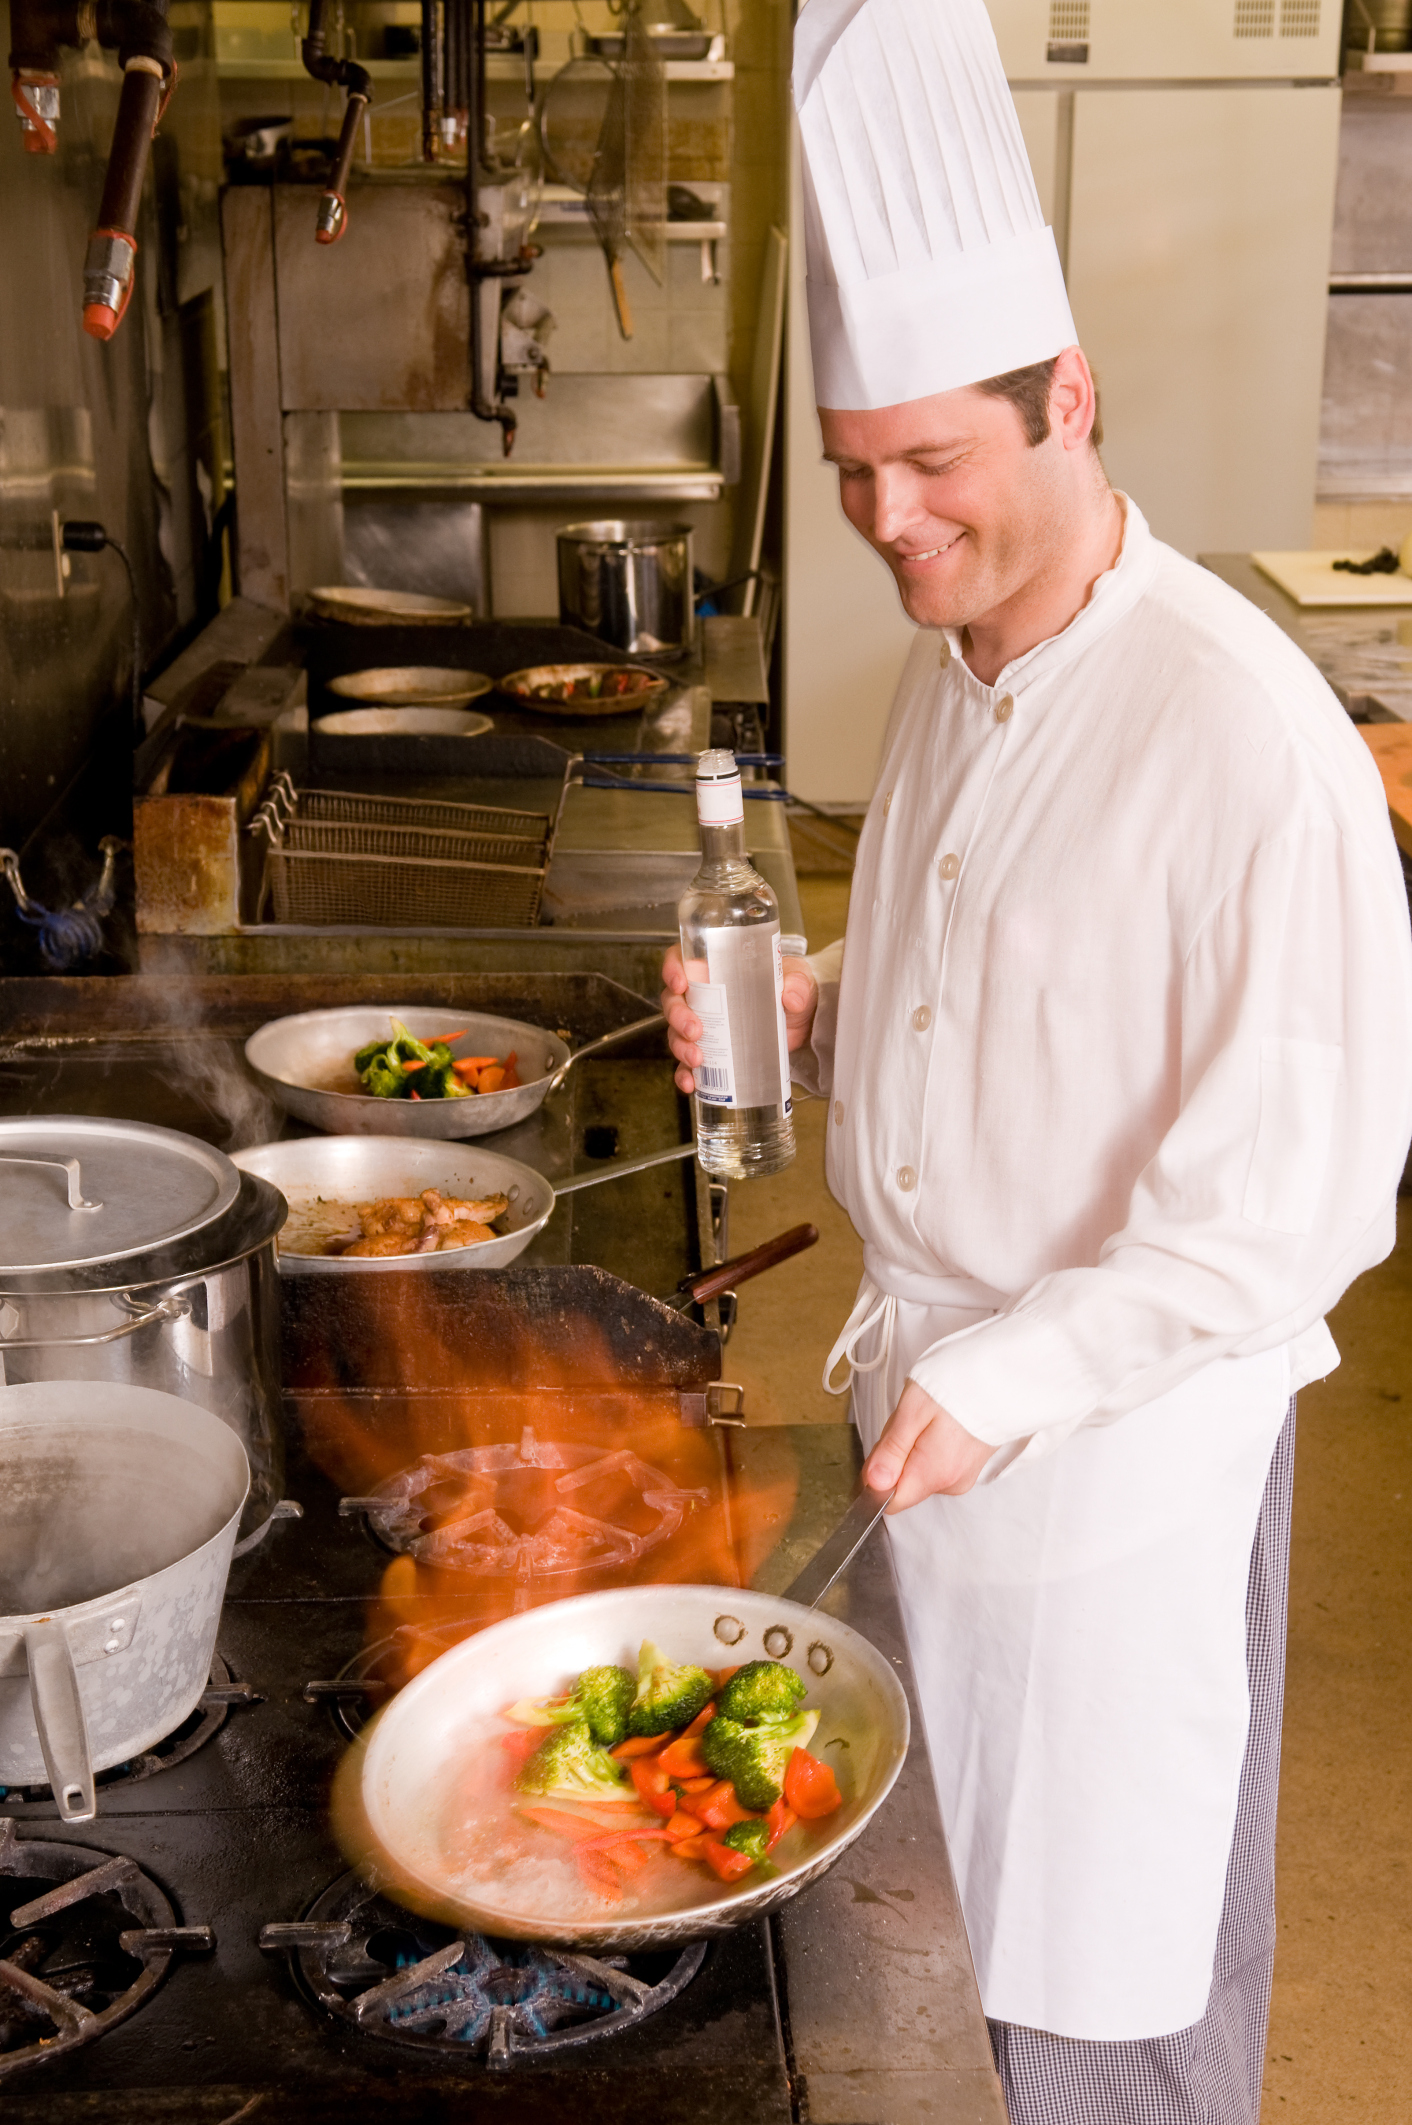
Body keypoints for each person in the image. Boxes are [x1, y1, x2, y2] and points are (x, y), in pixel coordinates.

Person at [660, 1, 1412, 2119]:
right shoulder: (966, 650)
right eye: (857, 476)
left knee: (1115, 1977)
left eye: (934, 464)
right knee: (959, 1951)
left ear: (1066, 398)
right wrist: (818, 986)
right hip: (946, 1435)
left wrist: (1002, 1377)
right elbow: (1003, 916)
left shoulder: (1239, 732)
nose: (893, 523)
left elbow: (1296, 1200)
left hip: (1109, 1472)